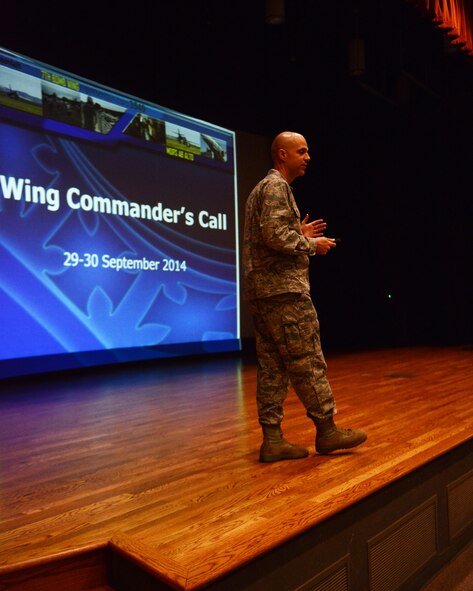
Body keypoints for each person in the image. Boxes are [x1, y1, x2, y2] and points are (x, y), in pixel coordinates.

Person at [243, 131, 367, 462]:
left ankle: (272, 439)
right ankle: (327, 431)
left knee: (272, 367)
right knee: (307, 360)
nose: (308, 157)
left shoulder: (262, 189)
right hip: (284, 293)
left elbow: (270, 235)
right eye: (302, 151)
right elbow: (274, 236)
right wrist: (312, 244)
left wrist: (299, 232)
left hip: (264, 294)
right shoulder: (275, 187)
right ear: (282, 155)